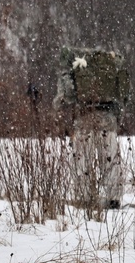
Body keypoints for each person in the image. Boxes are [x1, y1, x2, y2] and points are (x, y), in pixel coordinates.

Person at [54, 46, 130, 210]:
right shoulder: (110, 67)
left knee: (83, 160)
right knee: (110, 159)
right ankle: (113, 197)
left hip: (84, 119)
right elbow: (122, 95)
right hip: (108, 119)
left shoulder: (73, 70)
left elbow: (68, 97)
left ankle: (85, 196)